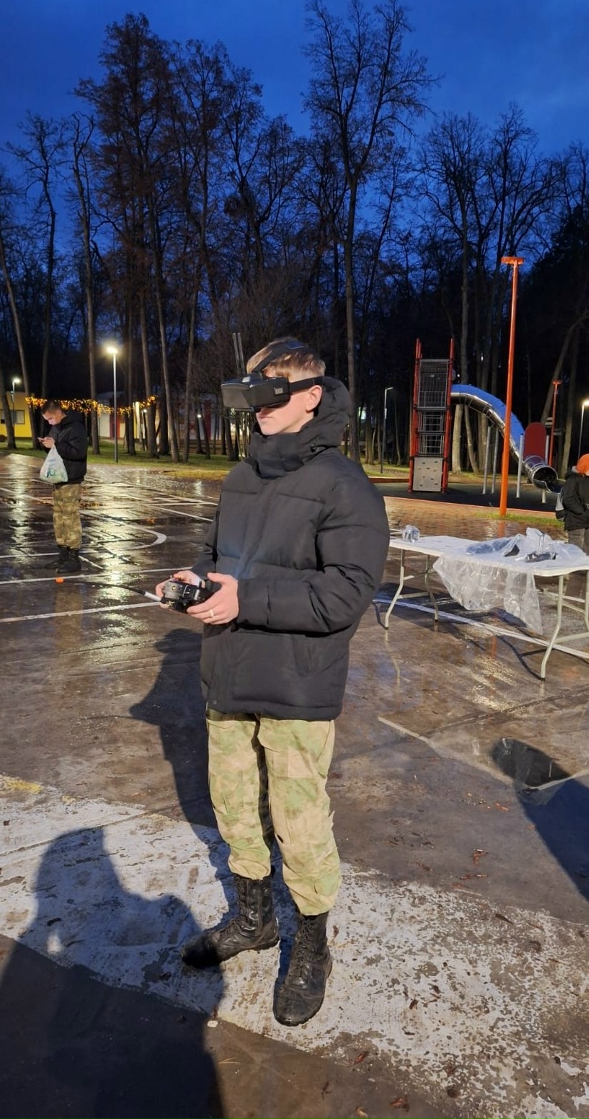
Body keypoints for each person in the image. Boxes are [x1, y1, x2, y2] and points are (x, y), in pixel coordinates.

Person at [156, 338, 389, 1027]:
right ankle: (254, 920)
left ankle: (312, 946)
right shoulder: (240, 477)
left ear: (311, 396)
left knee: (298, 819)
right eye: (251, 392)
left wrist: (246, 598)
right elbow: (219, 557)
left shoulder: (344, 485)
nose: (257, 406)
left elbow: (345, 594)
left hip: (295, 683)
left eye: (272, 391)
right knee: (234, 807)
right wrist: (195, 583)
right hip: (228, 672)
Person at [40, 400, 88, 573]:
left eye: (51, 418)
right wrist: (47, 445)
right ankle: (63, 555)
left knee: (70, 517)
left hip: (71, 478)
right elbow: (56, 451)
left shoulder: (76, 427)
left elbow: (79, 453)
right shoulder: (56, 427)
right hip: (58, 478)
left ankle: (74, 558)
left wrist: (56, 445)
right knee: (58, 518)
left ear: (59, 412)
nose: (49, 423)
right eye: (47, 420)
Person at [561, 452, 589, 554]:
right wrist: (581, 512)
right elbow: (568, 499)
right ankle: (575, 565)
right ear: (585, 465)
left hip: (586, 519)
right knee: (575, 549)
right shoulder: (572, 479)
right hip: (575, 519)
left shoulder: (587, 479)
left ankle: (588, 563)